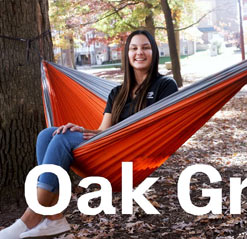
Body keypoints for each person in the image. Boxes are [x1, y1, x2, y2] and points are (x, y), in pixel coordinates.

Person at [0, 30, 178, 239]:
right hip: (107, 151)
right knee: (48, 134)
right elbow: (103, 132)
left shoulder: (165, 86)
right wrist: (80, 129)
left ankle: (29, 218)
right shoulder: (117, 93)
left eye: (145, 47)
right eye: (134, 48)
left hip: (135, 152)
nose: (140, 52)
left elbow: (160, 127)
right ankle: (55, 217)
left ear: (154, 52)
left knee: (62, 139)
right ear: (127, 54)